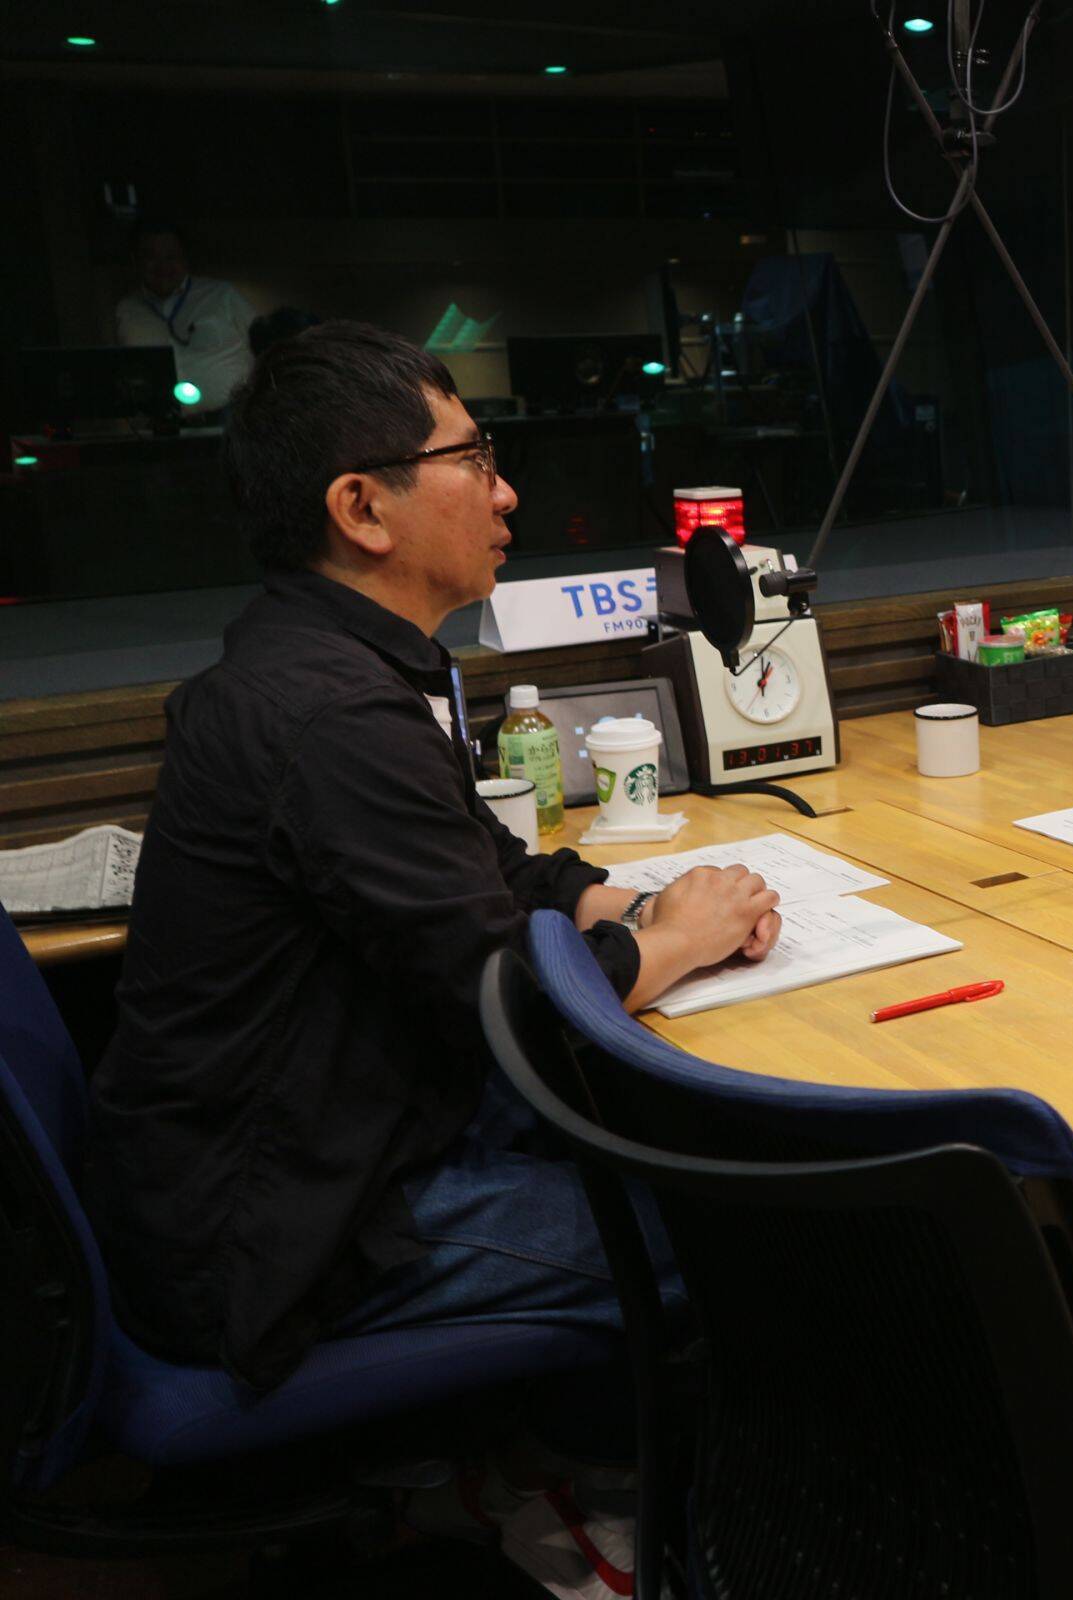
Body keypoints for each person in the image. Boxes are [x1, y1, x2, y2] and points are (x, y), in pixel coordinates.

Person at [84, 322, 780, 1589]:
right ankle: (586, 1516)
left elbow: (488, 877)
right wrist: (669, 942)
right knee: (734, 1241)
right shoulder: (329, 712)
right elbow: (509, 1006)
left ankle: (513, 1462)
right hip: (283, 1235)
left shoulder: (327, 657)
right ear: (362, 507)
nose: (507, 493)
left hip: (311, 1149)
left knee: (670, 1142)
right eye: (475, 459)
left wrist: (641, 899)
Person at [112, 219, 256, 413]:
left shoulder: (222, 295)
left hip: (231, 418)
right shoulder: (126, 310)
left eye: (171, 256)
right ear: (135, 261)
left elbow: (266, 348)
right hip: (163, 423)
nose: (162, 266)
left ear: (185, 258)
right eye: (151, 257)